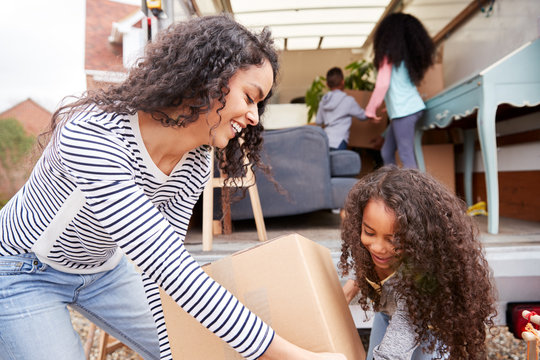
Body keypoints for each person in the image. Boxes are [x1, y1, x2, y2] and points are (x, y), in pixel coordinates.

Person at [0, 15, 346, 360]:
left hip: (103, 272)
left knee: (196, 349)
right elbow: (172, 269)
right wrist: (297, 357)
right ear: (209, 79)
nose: (255, 117)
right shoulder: (93, 135)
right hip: (24, 271)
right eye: (250, 97)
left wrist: (174, 353)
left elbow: (163, 276)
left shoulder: (195, 158)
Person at [339, 166, 497, 360]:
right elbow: (365, 263)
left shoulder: (420, 283)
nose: (378, 247)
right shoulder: (369, 248)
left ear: (417, 238)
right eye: (370, 232)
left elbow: (392, 354)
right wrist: (349, 288)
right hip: (387, 314)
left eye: (394, 239)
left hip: (426, 331)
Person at [364, 13, 435, 168]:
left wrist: (370, 109)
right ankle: (392, 189)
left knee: (406, 155)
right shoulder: (400, 58)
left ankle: (415, 192)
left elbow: (383, 84)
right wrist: (388, 106)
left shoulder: (387, 56)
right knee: (387, 152)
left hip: (405, 111)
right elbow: (398, 86)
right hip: (406, 110)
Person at [315, 67, 366, 151]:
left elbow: (318, 122)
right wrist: (372, 113)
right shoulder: (348, 101)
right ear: (343, 82)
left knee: (326, 164)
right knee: (339, 164)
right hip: (340, 141)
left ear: (327, 84)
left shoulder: (323, 102)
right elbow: (363, 116)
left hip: (325, 141)